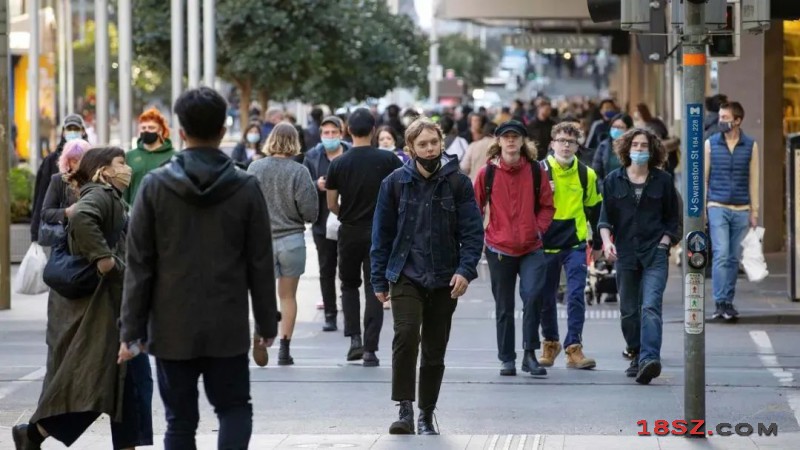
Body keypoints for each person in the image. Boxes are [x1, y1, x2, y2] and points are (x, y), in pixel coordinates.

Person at [118, 87, 279, 449]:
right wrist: (267, 324)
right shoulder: (245, 187)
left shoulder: (155, 187)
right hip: (228, 324)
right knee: (235, 408)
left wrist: (131, 329)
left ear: (179, 132)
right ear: (224, 130)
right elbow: (260, 263)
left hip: (171, 325)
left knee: (179, 423)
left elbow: (139, 264)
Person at [12, 146, 152, 450]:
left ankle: (34, 434)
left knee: (123, 386)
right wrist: (104, 259)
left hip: (112, 305)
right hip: (106, 309)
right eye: (120, 164)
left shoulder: (109, 196)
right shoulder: (99, 196)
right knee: (115, 383)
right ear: (103, 170)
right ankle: (34, 433)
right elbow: (83, 219)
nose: (126, 169)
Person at [371, 117, 484, 435]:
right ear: (410, 149)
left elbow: (473, 232)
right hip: (405, 272)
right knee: (405, 335)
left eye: (434, 142)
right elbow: (381, 235)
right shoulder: (393, 183)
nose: (430, 149)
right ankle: (404, 409)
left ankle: (426, 412)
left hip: (445, 276)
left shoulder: (457, 183)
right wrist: (379, 279)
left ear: (441, 144)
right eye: (422, 144)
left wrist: (465, 270)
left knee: (435, 347)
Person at [598, 128, 680, 385]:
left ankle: (649, 358)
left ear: (652, 150)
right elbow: (604, 219)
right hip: (626, 253)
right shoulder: (613, 180)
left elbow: (673, 220)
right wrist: (606, 242)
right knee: (628, 311)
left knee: (651, 306)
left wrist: (665, 244)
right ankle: (635, 351)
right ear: (627, 149)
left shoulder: (663, 181)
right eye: (635, 145)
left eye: (644, 146)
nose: (640, 150)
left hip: (655, 252)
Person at [473, 120, 555, 377]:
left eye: (515, 137)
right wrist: (481, 235)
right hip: (499, 248)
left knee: (532, 298)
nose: (510, 141)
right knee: (504, 307)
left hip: (531, 247)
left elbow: (547, 206)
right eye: (506, 136)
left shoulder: (534, 170)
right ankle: (507, 357)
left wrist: (538, 229)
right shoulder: (487, 174)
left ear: (522, 141)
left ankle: (530, 355)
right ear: (498, 141)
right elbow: (473, 208)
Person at [325, 108, 403, 367]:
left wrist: (345, 212)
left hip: (349, 231)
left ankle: (354, 340)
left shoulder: (338, 163)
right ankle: (371, 349)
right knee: (375, 287)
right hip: (379, 233)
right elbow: (399, 196)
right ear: (373, 130)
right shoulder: (389, 161)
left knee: (348, 285)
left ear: (347, 130)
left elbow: (332, 202)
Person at [248, 123, 318, 365]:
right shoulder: (299, 172)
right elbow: (310, 212)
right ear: (295, 142)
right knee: (287, 296)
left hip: (261, 241)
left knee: (262, 294)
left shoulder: (255, 168)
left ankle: (261, 332)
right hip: (292, 241)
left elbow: (246, 205)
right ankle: (284, 349)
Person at [535, 122, 603, 371]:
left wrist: (596, 243)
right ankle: (550, 343)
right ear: (552, 143)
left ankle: (573, 347)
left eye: (571, 142)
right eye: (561, 140)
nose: (566, 145)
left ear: (578, 146)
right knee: (545, 297)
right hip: (544, 244)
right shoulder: (538, 172)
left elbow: (595, 209)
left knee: (575, 295)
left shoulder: (587, 174)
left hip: (575, 243)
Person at [704, 101, 759, 321]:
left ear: (738, 120)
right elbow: (704, 177)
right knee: (721, 254)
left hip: (742, 208)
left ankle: (728, 301)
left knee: (734, 258)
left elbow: (754, 180)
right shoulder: (711, 144)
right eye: (721, 117)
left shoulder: (750, 145)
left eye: (726, 118)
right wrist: (702, 209)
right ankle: (720, 301)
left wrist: (754, 211)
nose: (722, 121)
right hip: (717, 205)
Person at [304, 116, 351, 329]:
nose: (330, 137)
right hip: (322, 222)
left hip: (349, 221)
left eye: (334, 133)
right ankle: (330, 315)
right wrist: (317, 185)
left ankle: (349, 313)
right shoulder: (313, 157)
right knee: (326, 269)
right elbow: (303, 186)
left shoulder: (351, 154)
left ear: (341, 134)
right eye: (326, 133)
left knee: (348, 269)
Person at [30, 114, 87, 244]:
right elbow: (41, 198)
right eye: (69, 129)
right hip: (60, 233)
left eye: (76, 129)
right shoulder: (51, 161)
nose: (72, 132)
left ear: (83, 131)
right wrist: (34, 234)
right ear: (63, 132)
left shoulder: (93, 158)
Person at [38, 139, 92, 243]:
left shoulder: (95, 179)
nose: (79, 165)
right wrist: (66, 212)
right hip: (65, 244)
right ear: (67, 162)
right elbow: (45, 213)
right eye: (74, 161)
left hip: (91, 241)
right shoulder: (59, 180)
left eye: (83, 159)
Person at [124, 108, 177, 205]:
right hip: (134, 214)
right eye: (143, 128)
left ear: (160, 130)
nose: (147, 131)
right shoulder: (129, 156)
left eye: (151, 128)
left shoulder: (174, 156)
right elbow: (124, 191)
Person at [592, 113, 633, 182]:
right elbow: (596, 172)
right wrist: (603, 188)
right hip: (607, 188)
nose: (616, 130)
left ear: (628, 129)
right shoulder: (603, 146)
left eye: (620, 127)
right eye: (614, 126)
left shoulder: (634, 146)